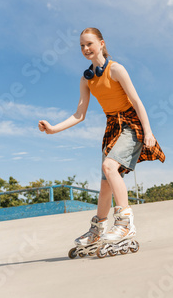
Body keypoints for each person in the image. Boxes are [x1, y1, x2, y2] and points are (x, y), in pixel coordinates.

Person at [38, 27, 165, 253]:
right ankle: (98, 230)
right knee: (106, 181)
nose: (85, 49)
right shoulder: (87, 79)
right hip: (112, 127)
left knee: (109, 166)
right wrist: (53, 129)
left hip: (130, 124)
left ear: (102, 44)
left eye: (89, 44)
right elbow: (79, 114)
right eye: (82, 46)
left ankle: (125, 224)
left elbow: (136, 101)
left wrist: (148, 132)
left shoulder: (116, 70)